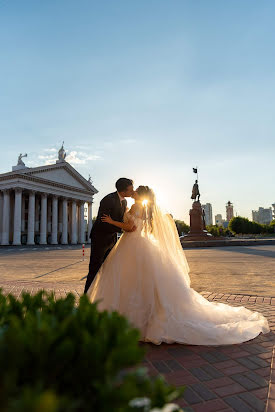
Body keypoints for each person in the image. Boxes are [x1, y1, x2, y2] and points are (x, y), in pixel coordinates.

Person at [87, 186, 269, 345]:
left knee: (129, 280)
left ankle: (135, 318)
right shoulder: (146, 208)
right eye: (131, 189)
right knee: (142, 282)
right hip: (141, 244)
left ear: (138, 194)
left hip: (132, 243)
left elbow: (131, 227)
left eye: (135, 190)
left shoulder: (136, 206)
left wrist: (111, 222)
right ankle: (147, 317)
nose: (132, 191)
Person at [84, 178, 135, 293]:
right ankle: (86, 297)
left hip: (112, 238)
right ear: (123, 191)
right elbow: (104, 222)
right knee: (95, 268)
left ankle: (102, 295)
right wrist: (123, 228)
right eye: (131, 190)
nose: (132, 191)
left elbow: (117, 220)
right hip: (100, 238)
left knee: (108, 268)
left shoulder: (125, 202)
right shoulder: (108, 200)